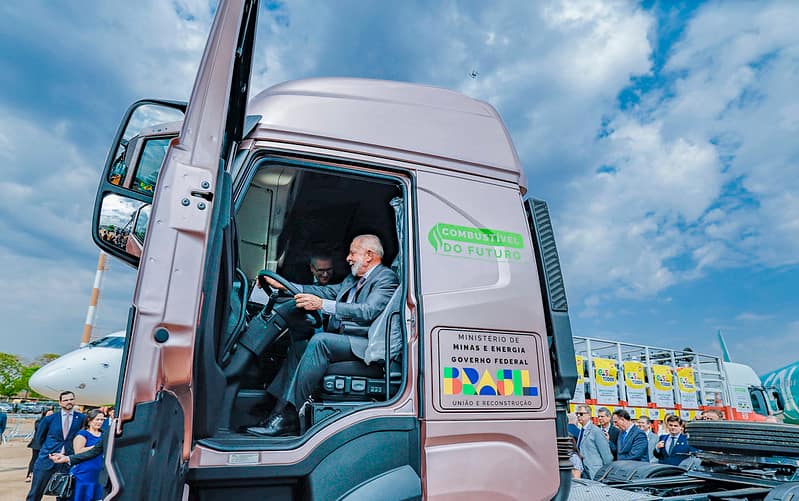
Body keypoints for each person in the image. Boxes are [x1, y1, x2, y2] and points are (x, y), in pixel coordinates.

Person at [248, 234, 399, 437]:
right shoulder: (353, 280)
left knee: (321, 342)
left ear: (369, 255)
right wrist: (284, 285)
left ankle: (290, 416)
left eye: (353, 253)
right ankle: (276, 409)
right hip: (348, 339)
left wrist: (322, 305)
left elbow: (368, 311)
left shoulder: (385, 278)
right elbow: (326, 292)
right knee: (299, 346)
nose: (348, 258)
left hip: (366, 344)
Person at [26, 391, 85, 501]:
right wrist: (48, 451)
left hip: (67, 461)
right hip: (47, 460)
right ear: (60, 402)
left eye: (71, 399)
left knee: (65, 493)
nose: (69, 402)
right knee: (36, 492)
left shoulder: (81, 418)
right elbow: (39, 438)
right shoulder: (50, 419)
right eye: (66, 400)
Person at [69, 409, 105, 501]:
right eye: (97, 419)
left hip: (99, 473)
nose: (100, 422)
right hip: (84, 472)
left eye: (102, 420)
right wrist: (97, 447)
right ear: (89, 420)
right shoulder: (83, 434)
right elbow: (78, 452)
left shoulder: (104, 434)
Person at [574, 404, 613, 479]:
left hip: (594, 472)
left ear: (589, 415)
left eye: (581, 414)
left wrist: (606, 473)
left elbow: (606, 454)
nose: (578, 416)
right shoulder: (582, 430)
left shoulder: (596, 431)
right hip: (584, 471)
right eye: (577, 414)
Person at [26, 409, 54, 482]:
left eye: (52, 414)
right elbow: (39, 429)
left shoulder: (54, 422)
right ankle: (29, 474)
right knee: (34, 458)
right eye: (49, 414)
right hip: (37, 444)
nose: (51, 416)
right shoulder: (39, 421)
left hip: (48, 444)